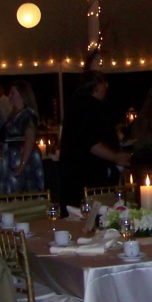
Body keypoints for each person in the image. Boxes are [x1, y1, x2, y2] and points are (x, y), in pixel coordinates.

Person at [59, 70, 131, 205]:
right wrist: (115, 157)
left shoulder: (78, 105)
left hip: (77, 174)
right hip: (88, 175)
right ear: (97, 87)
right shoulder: (89, 107)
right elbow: (91, 142)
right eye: (104, 84)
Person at [0, 80, 44, 194]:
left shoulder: (27, 115)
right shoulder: (13, 114)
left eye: (13, 93)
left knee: (21, 190)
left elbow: (30, 139)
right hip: (11, 157)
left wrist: (22, 164)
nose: (10, 96)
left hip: (20, 157)